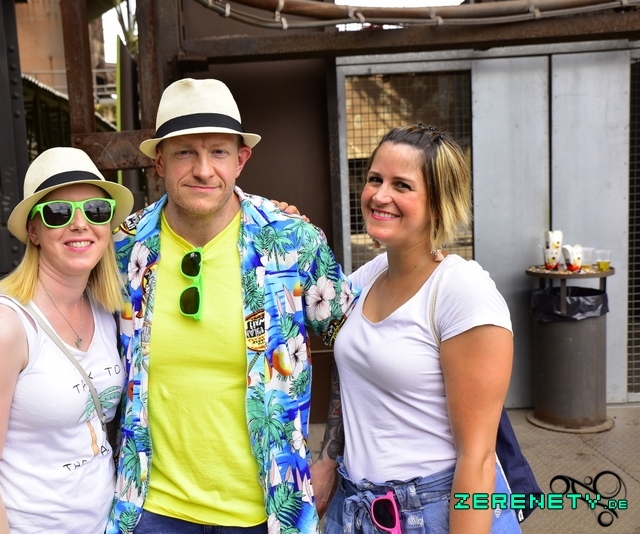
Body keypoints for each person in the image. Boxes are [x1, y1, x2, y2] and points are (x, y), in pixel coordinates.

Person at [107, 78, 358, 534]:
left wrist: (330, 458)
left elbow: (355, 347)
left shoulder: (291, 242)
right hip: (150, 511)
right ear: (159, 161)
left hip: (269, 512)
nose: (203, 170)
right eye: (185, 152)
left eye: (218, 152)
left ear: (241, 159)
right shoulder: (124, 248)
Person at [316, 124, 521, 533]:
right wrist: (327, 459)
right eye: (375, 179)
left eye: (402, 185)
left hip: (431, 511)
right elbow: (350, 372)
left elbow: (478, 458)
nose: (379, 195)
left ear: (439, 203)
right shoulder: (368, 277)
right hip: (354, 507)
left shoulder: (462, 291)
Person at [0, 147, 134, 533]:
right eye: (58, 213)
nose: (80, 224)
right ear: (33, 231)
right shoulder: (4, 324)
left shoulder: (104, 310)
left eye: (96, 210)